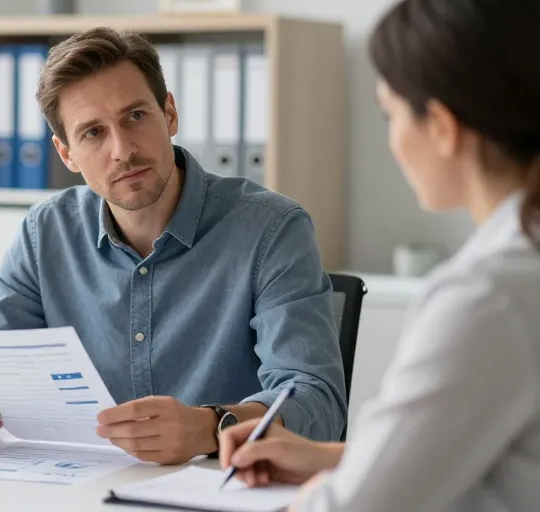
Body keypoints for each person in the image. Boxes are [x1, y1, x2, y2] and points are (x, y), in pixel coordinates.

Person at [0, 26, 348, 465]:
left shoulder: (271, 229)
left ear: (169, 113)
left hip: (221, 489)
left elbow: (317, 401)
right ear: (66, 154)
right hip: (81, 487)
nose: (122, 150)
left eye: (135, 117)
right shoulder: (47, 232)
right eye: (93, 133)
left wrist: (212, 427)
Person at [217, 0, 540, 509]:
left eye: (389, 114)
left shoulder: (489, 295)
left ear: (441, 126)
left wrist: (322, 487)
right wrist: (332, 458)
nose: (391, 141)